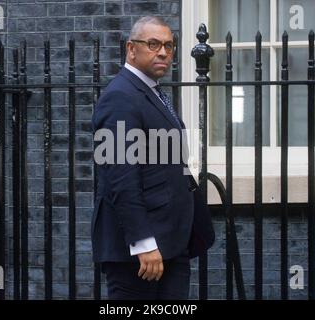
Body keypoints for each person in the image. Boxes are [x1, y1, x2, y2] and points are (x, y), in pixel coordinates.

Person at [91, 16, 214, 300]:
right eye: (153, 44)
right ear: (131, 49)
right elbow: (121, 179)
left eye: (169, 46)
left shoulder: (151, 92)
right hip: (140, 254)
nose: (163, 52)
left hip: (171, 244)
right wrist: (144, 243)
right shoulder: (120, 98)